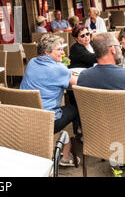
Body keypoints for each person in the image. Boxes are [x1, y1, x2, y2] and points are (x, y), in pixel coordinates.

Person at [20, 33, 80, 166]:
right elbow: (78, 83)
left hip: (26, 117)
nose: (63, 52)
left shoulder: (31, 62)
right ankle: (65, 155)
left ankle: (63, 144)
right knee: (74, 109)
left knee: (64, 110)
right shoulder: (59, 69)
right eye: (59, 49)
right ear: (47, 52)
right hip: (47, 121)